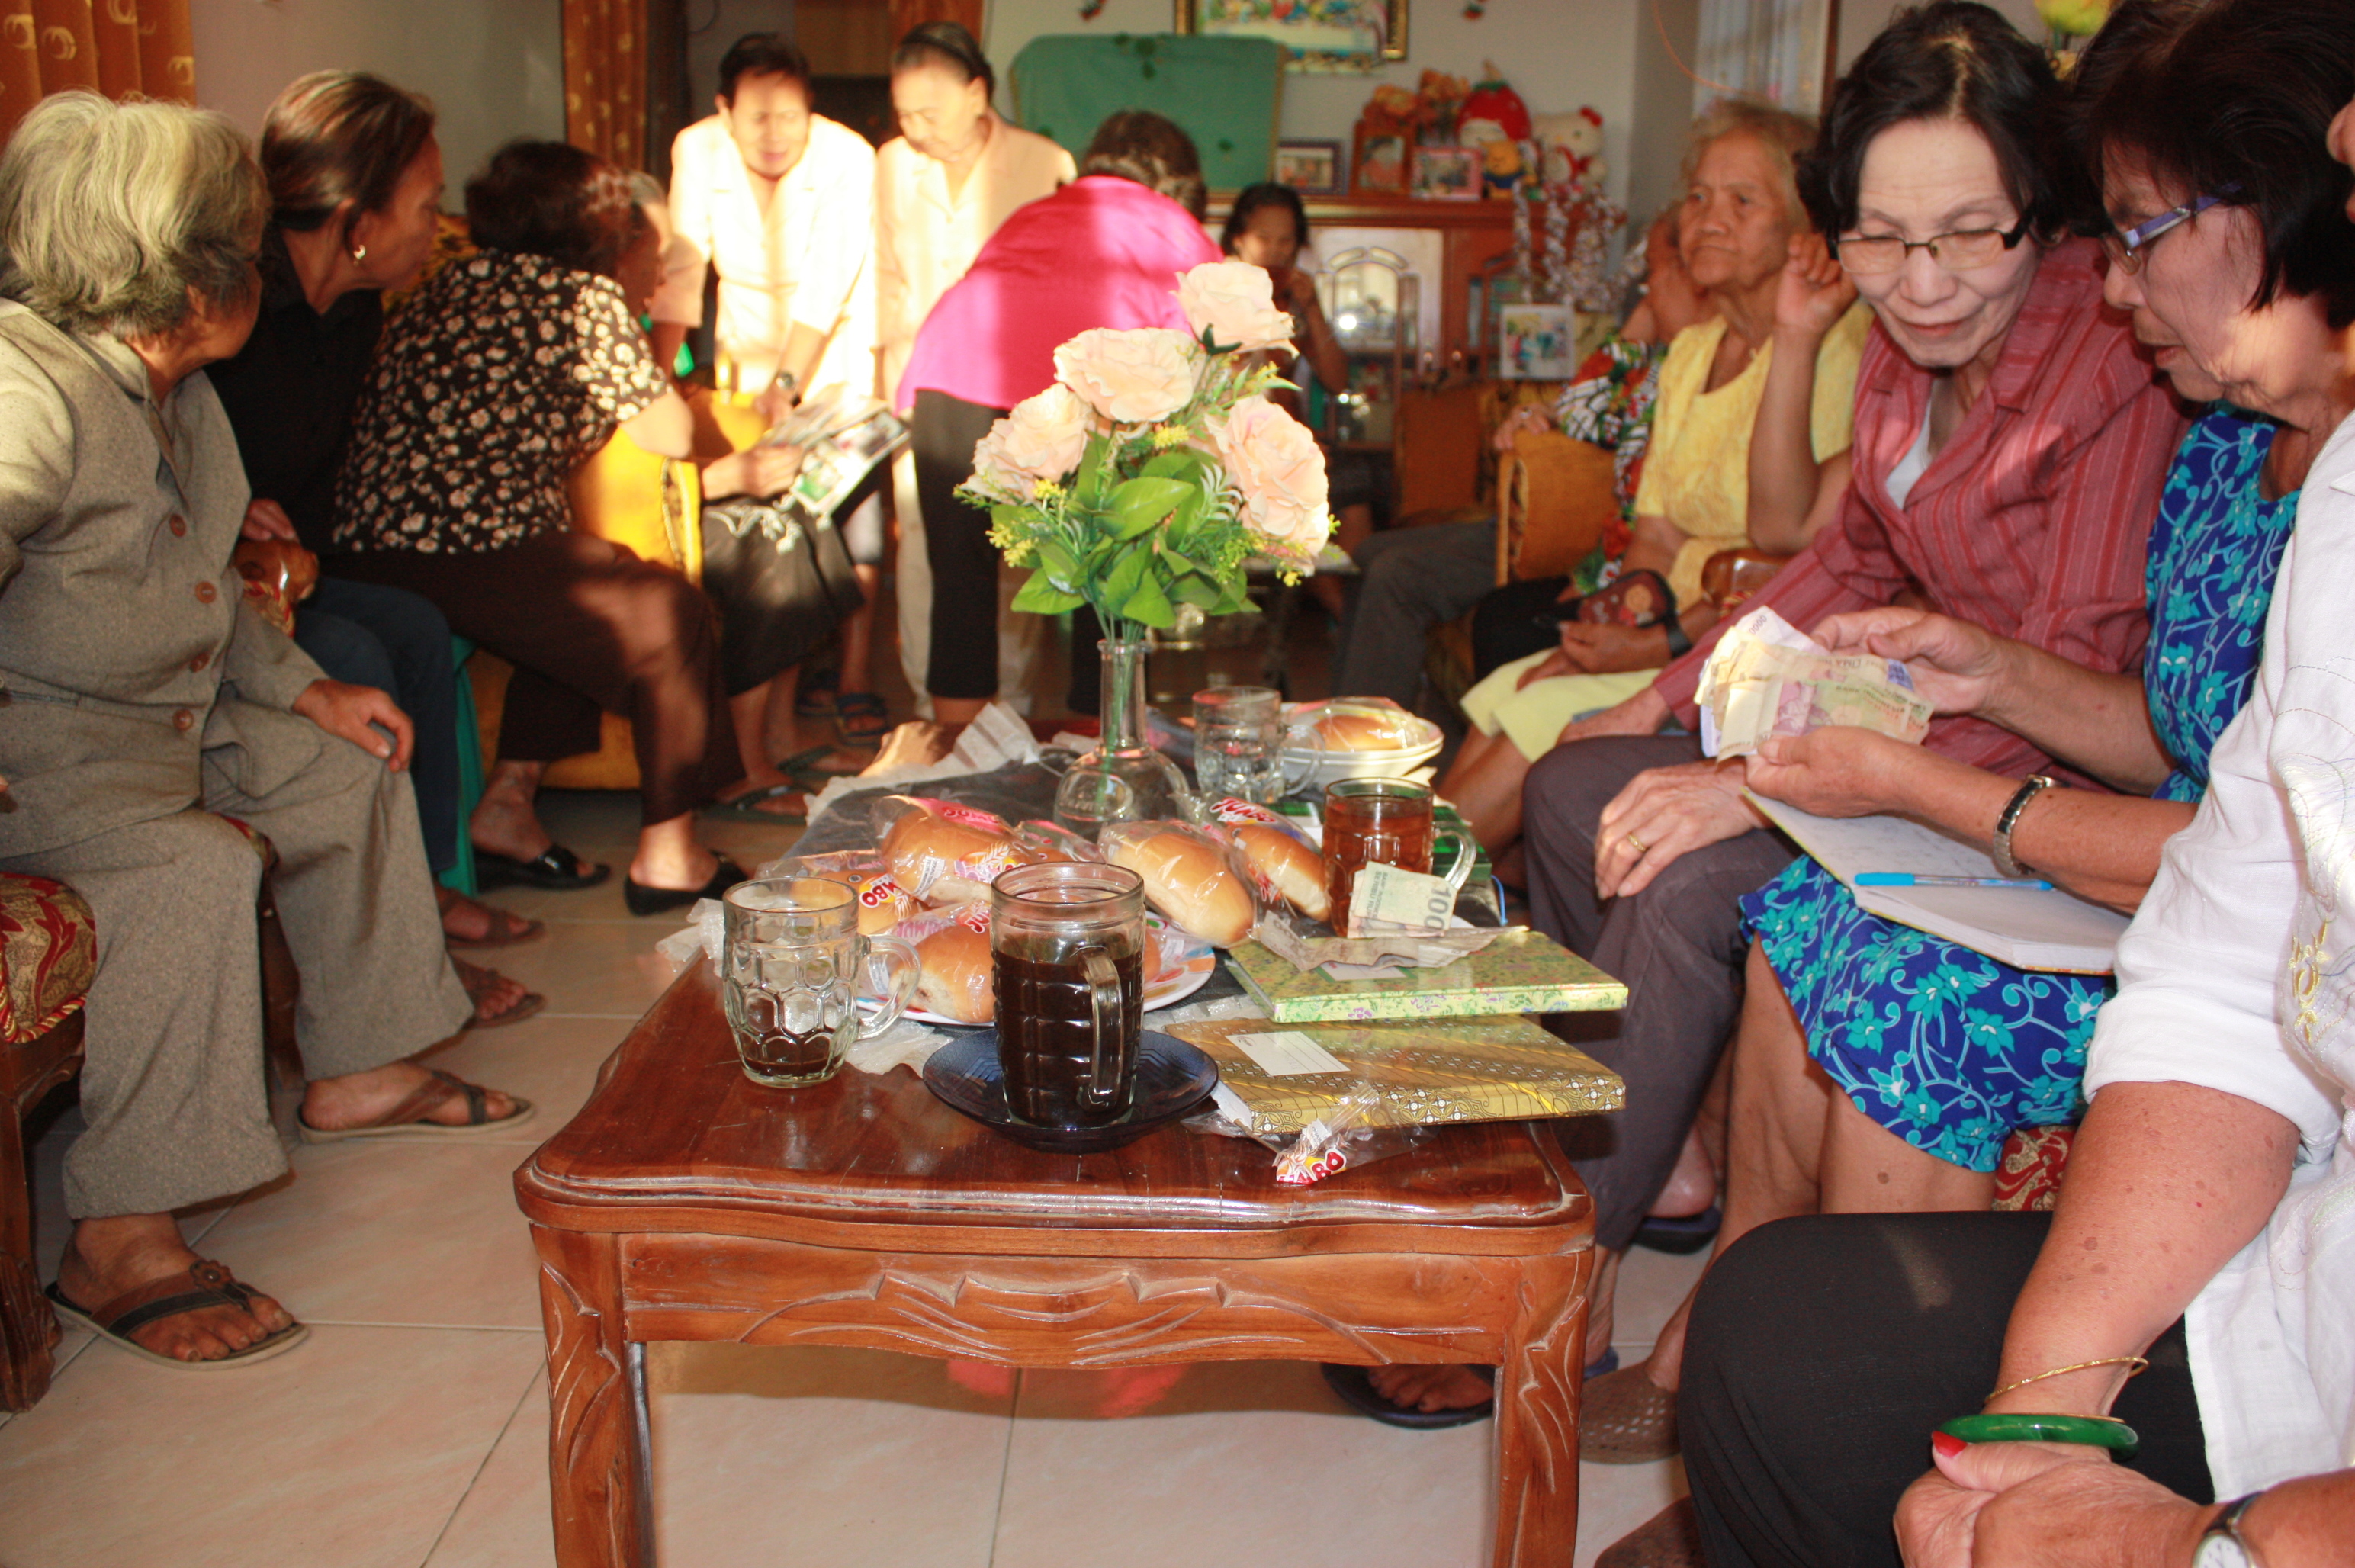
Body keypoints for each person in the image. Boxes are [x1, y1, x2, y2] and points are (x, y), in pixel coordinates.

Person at [1378, 0, 2187, 1425]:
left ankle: (1567, 1265)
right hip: (1896, 742)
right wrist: (1664, 693)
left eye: (1964, 236)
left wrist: (1765, 784)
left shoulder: (2103, 370)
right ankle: (1665, 1153)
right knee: (1576, 781)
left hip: (2012, 796)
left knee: (1693, 878)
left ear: (2042, 212)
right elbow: (1844, 558)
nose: (1918, 282)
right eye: (1877, 236)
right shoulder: (1898, 341)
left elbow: (2059, 680)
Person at [1678, 5, 2355, 1563]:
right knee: (1798, 930)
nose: (2108, 286)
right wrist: (2039, 1415)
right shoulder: (2290, 468)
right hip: (2289, 1245)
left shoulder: (2121, 398)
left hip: (2089, 884)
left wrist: (2220, 1538)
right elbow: (2224, 926)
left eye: (2125, 234)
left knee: (1887, 961)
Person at [0, 93, 529, 1368]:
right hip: (44, 755)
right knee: (190, 866)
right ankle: (119, 1237)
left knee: (348, 755)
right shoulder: (29, 388)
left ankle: (361, 1065)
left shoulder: (172, 382)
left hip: (169, 711)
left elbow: (201, 577)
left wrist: (304, 689)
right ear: (194, 278)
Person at [1438, 102, 1871, 857]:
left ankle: (1379, 894)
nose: (1708, 218)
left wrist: (1654, 650)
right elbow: (1658, 533)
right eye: (1698, 197)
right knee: (1516, 689)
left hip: (1752, 649)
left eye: (1743, 200)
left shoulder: (1836, 345)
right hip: (1668, 632)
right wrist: (1608, 629)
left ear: (1805, 223)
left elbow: (1809, 558)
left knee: (1543, 724)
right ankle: (1408, 899)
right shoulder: (1694, 350)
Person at [330, 140, 748, 917]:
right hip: (464, 544)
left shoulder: (445, 281)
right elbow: (670, 434)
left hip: (365, 543)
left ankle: (507, 808)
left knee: (582, 590)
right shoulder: (576, 296)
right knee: (668, 611)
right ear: (600, 231)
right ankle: (671, 855)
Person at [204, 72, 543, 1022]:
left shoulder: (352, 311)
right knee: (357, 656)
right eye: (427, 205)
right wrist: (227, 512)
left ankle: (424, 892)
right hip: (215, 582)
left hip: (297, 566)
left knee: (417, 628)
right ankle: (396, 955)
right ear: (357, 218)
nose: (438, 227)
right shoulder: (233, 305)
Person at [896, 109, 1221, 724]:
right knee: (1115, 565)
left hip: (952, 373)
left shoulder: (1040, 209)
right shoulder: (1178, 227)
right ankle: (1100, 752)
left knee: (961, 581)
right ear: (1181, 182)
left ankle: (955, 763)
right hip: (1076, 396)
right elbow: (1203, 364)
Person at [651, 34, 887, 756]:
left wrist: (788, 385)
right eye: (757, 117)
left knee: (855, 517)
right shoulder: (697, 148)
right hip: (747, 345)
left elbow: (827, 278)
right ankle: (789, 678)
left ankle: (850, 678)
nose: (777, 134)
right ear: (724, 111)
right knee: (775, 510)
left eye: (792, 114)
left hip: (838, 339)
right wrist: (655, 378)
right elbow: (684, 268)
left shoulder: (848, 155)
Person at [875, 20, 1074, 722]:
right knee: (927, 547)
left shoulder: (1045, 161)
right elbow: (886, 280)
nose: (915, 128)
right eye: (903, 113)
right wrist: (883, 386)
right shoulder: (894, 166)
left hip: (1018, 385)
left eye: (928, 112)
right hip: (925, 384)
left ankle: (1009, 708)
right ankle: (940, 712)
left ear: (976, 92)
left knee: (1014, 542)